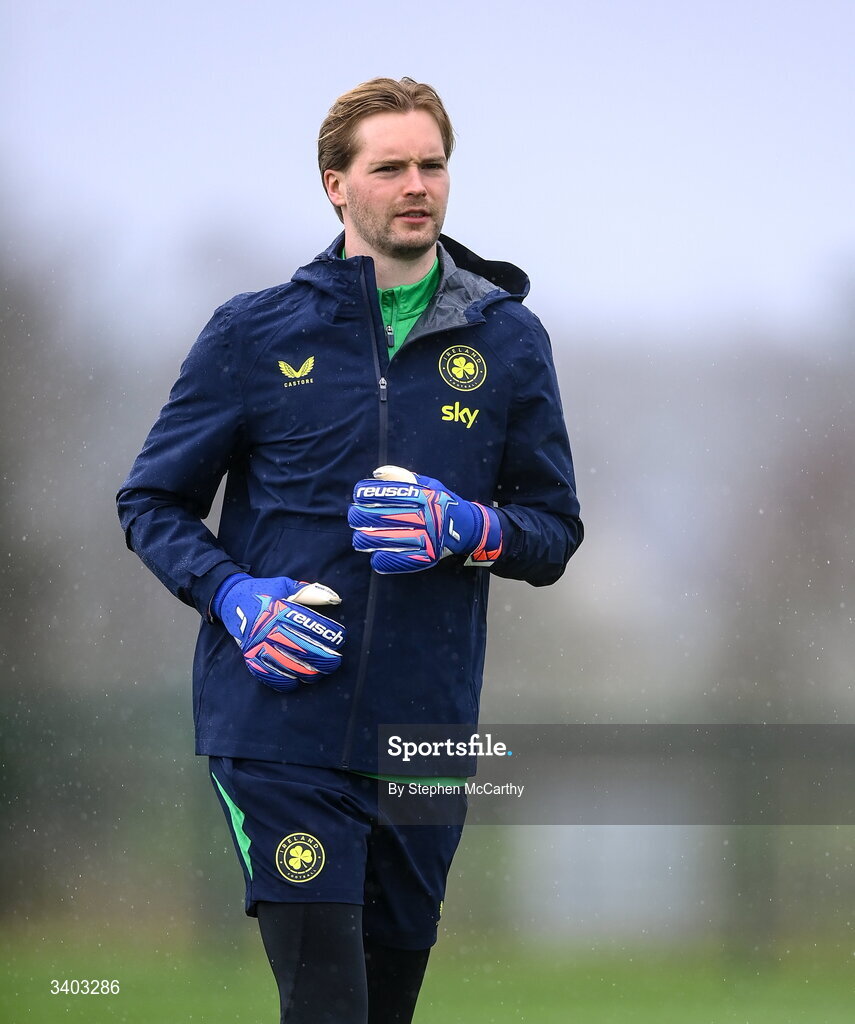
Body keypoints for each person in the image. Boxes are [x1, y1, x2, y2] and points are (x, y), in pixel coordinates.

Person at [117, 76, 583, 1024]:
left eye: (433, 164)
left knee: (384, 1009)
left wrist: (472, 528)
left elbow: (553, 531)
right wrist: (235, 597)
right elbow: (152, 502)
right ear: (336, 183)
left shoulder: (506, 339)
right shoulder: (253, 333)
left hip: (424, 739)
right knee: (328, 1006)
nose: (417, 185)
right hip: (280, 727)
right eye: (390, 167)